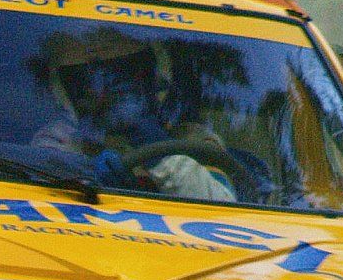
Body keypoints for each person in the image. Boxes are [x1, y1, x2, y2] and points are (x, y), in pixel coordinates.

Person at [32, 30, 240, 202]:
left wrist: (162, 156)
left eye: (122, 73)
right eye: (86, 79)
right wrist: (85, 176)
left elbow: (223, 208)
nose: (105, 89)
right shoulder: (58, 140)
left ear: (150, 76)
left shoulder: (193, 140)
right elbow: (42, 204)